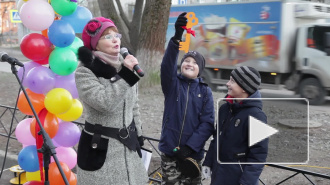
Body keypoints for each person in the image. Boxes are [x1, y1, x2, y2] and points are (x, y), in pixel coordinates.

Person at [75, 17, 148, 185]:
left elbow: (134, 105)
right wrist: (127, 75)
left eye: (117, 35)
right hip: (100, 148)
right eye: (107, 36)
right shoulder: (85, 72)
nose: (115, 40)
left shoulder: (125, 64)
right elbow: (104, 103)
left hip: (129, 147)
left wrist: (138, 133)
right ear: (95, 44)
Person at [159, 12, 215, 185]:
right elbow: (167, 65)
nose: (189, 63)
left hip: (192, 157)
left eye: (194, 62)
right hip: (170, 154)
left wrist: (190, 147)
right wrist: (176, 38)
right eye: (186, 60)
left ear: (200, 69)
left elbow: (207, 124)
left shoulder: (206, 92)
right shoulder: (172, 84)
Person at [202, 66, 268, 185]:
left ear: (244, 87)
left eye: (232, 81)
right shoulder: (225, 109)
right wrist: (208, 162)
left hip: (237, 179)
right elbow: (216, 139)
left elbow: (258, 155)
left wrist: (246, 182)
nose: (227, 84)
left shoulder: (257, 116)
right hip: (218, 176)